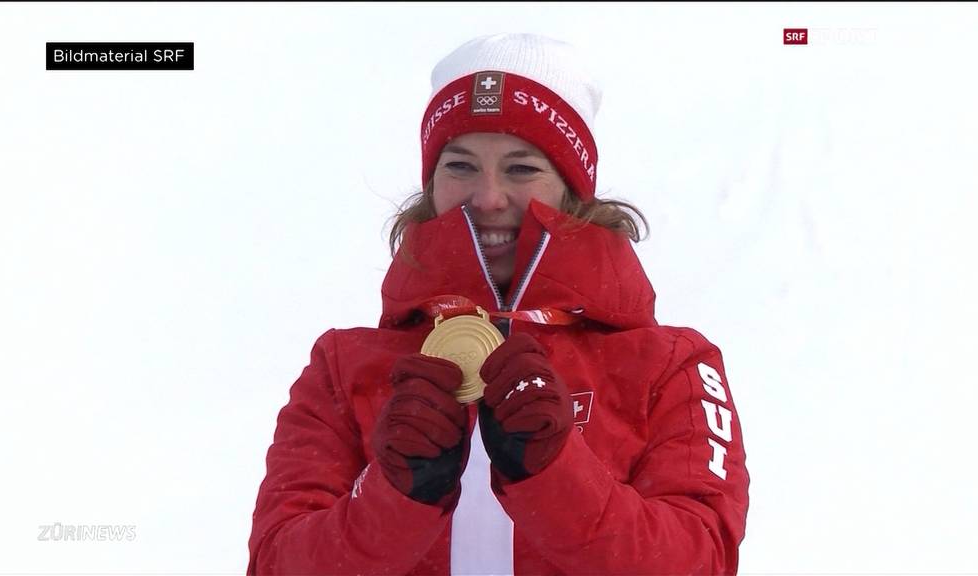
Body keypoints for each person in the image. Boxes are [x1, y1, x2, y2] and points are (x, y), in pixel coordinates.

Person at [248, 33, 749, 575]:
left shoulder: (669, 365)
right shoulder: (343, 367)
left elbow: (699, 562)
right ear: (431, 184)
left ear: (573, 189)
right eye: (460, 166)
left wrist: (559, 474)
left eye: (521, 168)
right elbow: (277, 562)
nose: (488, 197)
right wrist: (391, 496)